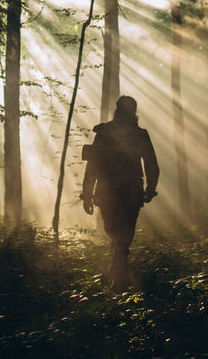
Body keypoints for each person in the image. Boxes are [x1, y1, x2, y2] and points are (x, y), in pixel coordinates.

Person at [81, 95, 159, 290]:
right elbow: (152, 165)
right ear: (134, 112)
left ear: (117, 111)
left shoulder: (105, 132)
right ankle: (119, 274)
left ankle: (117, 276)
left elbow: (92, 166)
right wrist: (150, 189)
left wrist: (88, 193)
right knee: (122, 234)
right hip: (130, 191)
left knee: (116, 233)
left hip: (110, 190)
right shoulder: (139, 134)